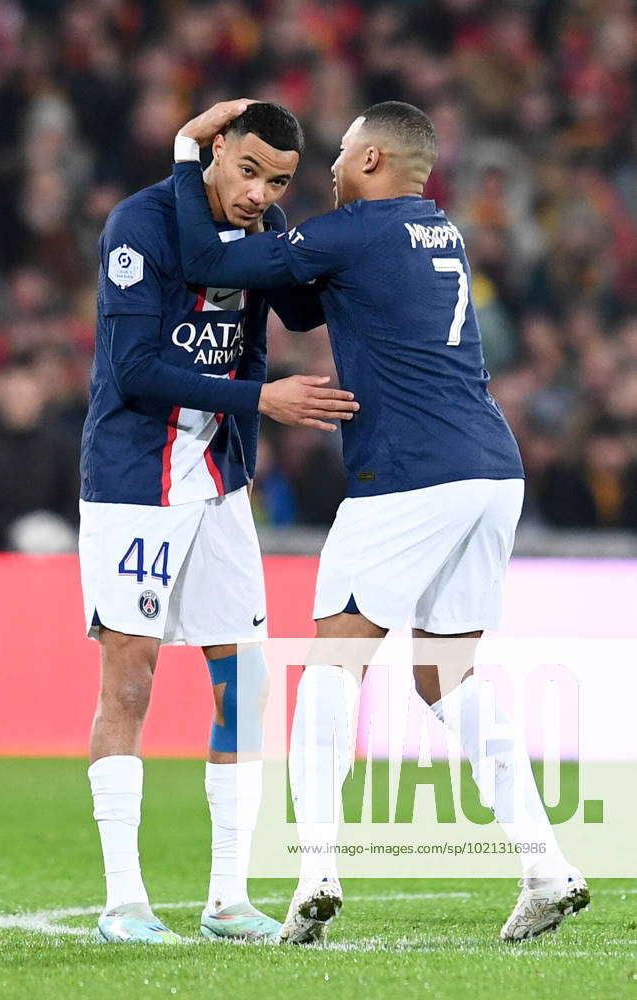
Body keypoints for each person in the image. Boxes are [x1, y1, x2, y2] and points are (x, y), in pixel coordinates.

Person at [171, 100, 590, 944]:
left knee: (330, 664)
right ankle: (546, 864)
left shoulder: (355, 231)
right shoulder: (439, 231)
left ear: (369, 160)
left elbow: (204, 255)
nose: (325, 168)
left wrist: (191, 158)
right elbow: (305, 302)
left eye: (336, 155)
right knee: (446, 679)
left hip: (408, 473)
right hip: (489, 469)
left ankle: (315, 870)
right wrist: (281, 218)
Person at [79, 100, 359, 945]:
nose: (258, 193)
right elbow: (133, 370)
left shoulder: (265, 226)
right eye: (247, 171)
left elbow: (291, 318)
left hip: (219, 484)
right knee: (130, 683)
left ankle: (226, 897)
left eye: (275, 181)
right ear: (214, 152)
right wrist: (260, 399)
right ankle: (123, 901)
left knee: (245, 686)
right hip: (136, 483)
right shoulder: (140, 223)